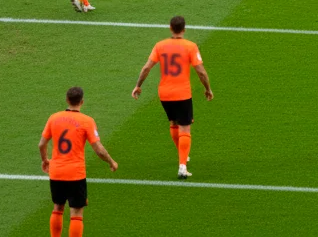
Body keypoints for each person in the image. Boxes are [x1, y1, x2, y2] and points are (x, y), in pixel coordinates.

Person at [133, 16, 214, 180]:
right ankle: (182, 167)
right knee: (185, 128)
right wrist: (207, 89)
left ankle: (182, 156)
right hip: (182, 93)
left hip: (165, 93)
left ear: (170, 28)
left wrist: (138, 85)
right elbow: (201, 71)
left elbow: (147, 67)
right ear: (184, 29)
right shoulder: (190, 46)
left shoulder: (160, 46)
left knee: (173, 124)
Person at [40, 86, 118, 237]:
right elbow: (98, 149)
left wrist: (45, 160)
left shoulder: (54, 118)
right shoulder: (86, 121)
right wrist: (111, 161)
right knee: (76, 212)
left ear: (67, 100)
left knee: (57, 208)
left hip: (56, 172)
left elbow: (41, 144)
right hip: (75, 174)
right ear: (82, 102)